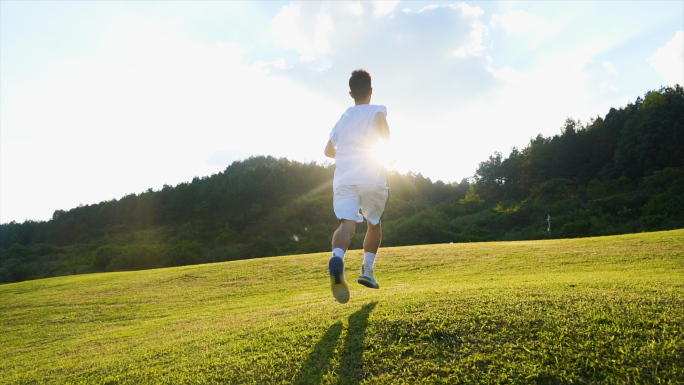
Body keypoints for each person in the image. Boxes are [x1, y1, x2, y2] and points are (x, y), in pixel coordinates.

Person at [324, 69, 391, 304]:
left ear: (351, 93)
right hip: (371, 175)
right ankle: (367, 271)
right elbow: (384, 132)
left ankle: (338, 259)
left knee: (347, 224)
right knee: (374, 223)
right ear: (371, 91)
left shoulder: (343, 118)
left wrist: (346, 155)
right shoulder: (377, 110)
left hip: (344, 178)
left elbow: (327, 151)